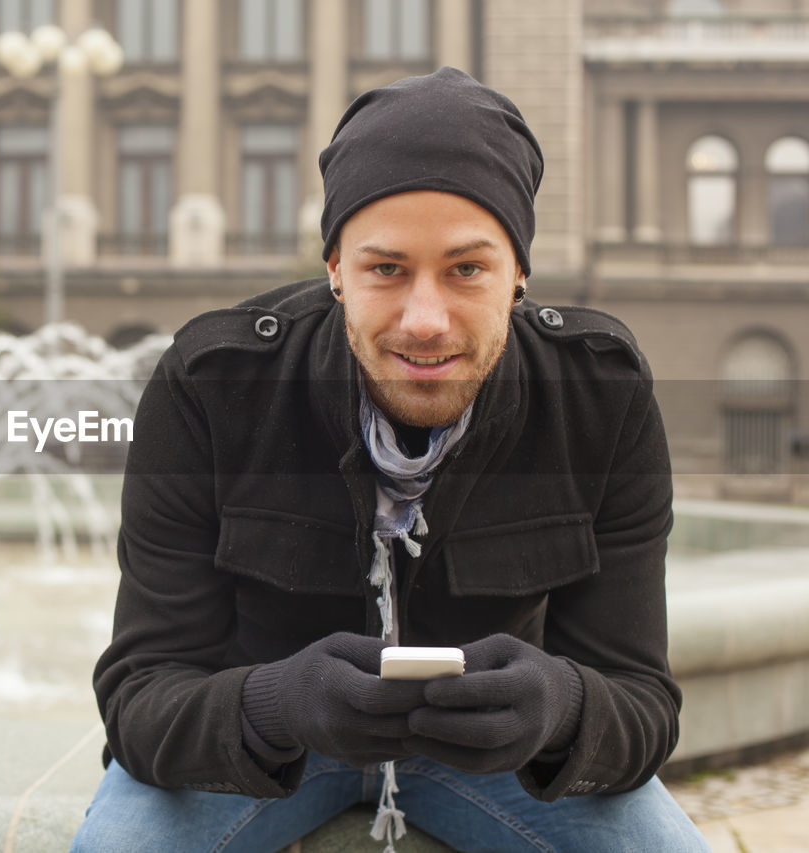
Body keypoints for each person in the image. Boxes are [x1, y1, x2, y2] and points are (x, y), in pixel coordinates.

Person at [71, 67, 709, 852]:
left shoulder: (600, 394)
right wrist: (278, 703)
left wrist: (559, 705)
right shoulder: (211, 387)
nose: (425, 319)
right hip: (264, 751)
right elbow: (138, 697)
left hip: (498, 763)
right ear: (336, 268)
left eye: (467, 268)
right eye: (387, 268)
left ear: (519, 274)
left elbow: (644, 703)